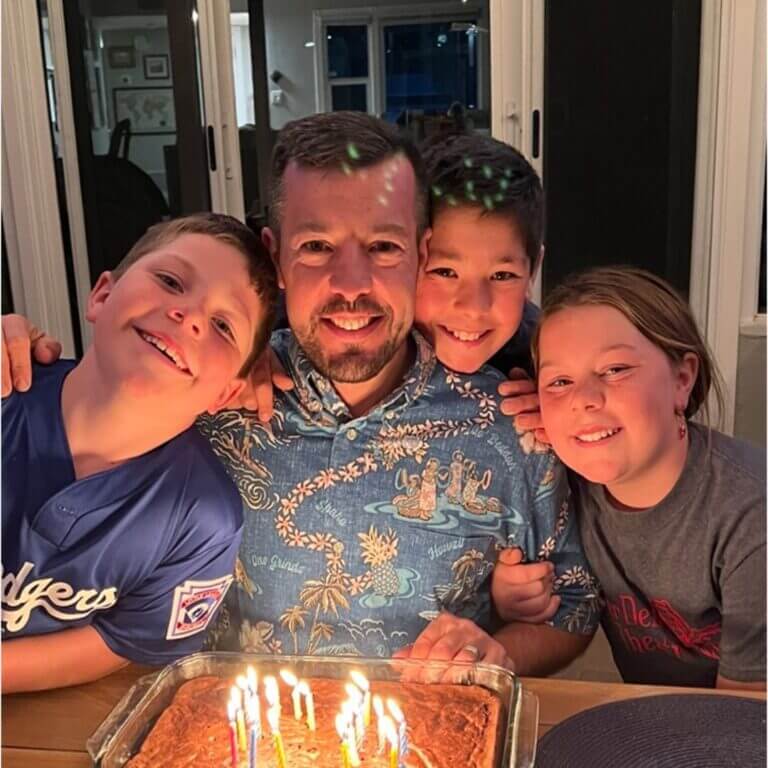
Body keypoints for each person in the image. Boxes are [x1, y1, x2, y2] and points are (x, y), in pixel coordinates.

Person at [3, 113, 599, 675]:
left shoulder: (512, 425)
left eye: (383, 247)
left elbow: (574, 606)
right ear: (277, 257)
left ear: (418, 253)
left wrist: (500, 650)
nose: (351, 285)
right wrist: (18, 348)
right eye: (316, 247)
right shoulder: (210, 396)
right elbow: (102, 386)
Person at [2, 213, 277, 692]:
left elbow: (120, 641)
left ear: (226, 393)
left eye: (222, 326)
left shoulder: (202, 517)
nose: (189, 316)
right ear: (102, 295)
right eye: (170, 281)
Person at [505, 266, 766, 689]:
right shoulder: (565, 487)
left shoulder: (751, 514)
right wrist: (510, 594)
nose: (584, 400)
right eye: (560, 381)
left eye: (615, 370)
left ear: (682, 380)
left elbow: (745, 722)